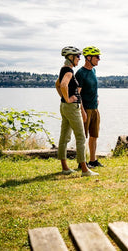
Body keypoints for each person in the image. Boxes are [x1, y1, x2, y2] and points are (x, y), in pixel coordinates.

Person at [55, 46, 99, 177]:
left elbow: (57, 84)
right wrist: (68, 99)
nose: (79, 59)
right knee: (80, 137)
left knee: (64, 137)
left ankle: (65, 167)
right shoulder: (69, 71)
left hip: (64, 107)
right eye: (78, 57)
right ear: (71, 57)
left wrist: (63, 98)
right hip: (71, 107)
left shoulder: (63, 69)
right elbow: (63, 85)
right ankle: (85, 169)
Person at [76, 46, 104, 167]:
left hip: (94, 108)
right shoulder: (80, 73)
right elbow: (77, 93)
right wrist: (82, 111)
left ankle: (93, 160)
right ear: (88, 58)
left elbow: (93, 88)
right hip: (85, 109)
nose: (99, 59)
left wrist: (97, 99)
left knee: (94, 136)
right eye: (97, 57)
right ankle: (81, 163)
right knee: (82, 137)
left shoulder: (93, 71)